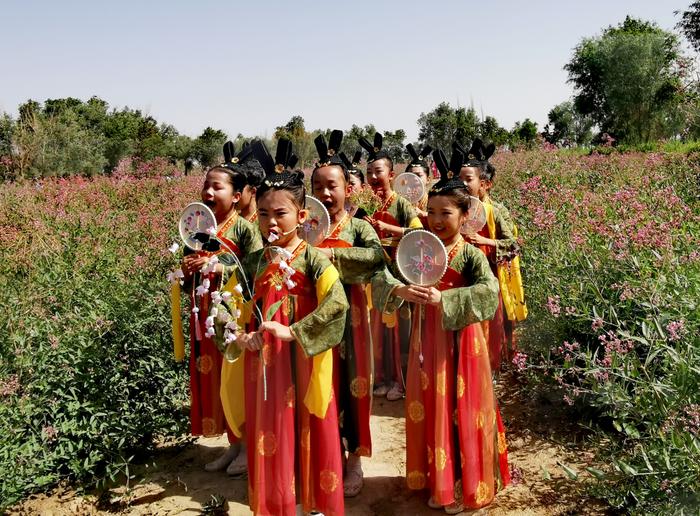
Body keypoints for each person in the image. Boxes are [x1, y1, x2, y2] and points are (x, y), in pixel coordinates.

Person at [371, 147, 510, 513]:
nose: (434, 219)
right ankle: (439, 478)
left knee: (461, 407)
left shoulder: (470, 255)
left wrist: (443, 301)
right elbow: (382, 277)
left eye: (445, 213)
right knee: (432, 405)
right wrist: (400, 289)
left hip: (462, 344)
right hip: (425, 339)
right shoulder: (417, 250)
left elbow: (489, 292)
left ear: (465, 215)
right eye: (430, 212)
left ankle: (466, 482)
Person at [223, 138, 348, 516]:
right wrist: (238, 334)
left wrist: (293, 331)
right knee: (272, 433)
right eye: (262, 214)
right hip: (264, 367)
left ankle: (313, 504)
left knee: (308, 428)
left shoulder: (314, 261)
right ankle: (279, 503)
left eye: (280, 213)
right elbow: (228, 304)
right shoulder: (253, 261)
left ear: (303, 216)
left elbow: (337, 305)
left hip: (305, 363)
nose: (270, 222)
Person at [180, 141, 262, 475]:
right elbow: (187, 268)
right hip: (206, 315)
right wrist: (187, 271)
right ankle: (234, 444)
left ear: (238, 193)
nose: (209, 191)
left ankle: (248, 445)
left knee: (237, 379)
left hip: (236, 315)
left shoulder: (245, 228)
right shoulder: (199, 228)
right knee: (217, 379)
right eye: (206, 185)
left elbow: (256, 267)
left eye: (218, 186)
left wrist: (218, 265)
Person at [311, 131, 385, 497]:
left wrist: (333, 256)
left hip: (352, 321)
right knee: (319, 387)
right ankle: (326, 455)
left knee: (353, 385)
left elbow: (376, 257)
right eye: (319, 187)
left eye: (333, 186)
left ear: (348, 189)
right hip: (314, 319)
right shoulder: (304, 229)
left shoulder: (358, 227)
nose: (326, 194)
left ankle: (354, 458)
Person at [358, 132, 422, 401]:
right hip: (375, 276)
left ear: (392, 172)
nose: (373, 177)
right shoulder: (364, 205)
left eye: (378, 171)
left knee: (401, 330)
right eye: (369, 172)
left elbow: (419, 234)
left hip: (399, 273)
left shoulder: (402, 203)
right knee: (378, 329)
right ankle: (382, 377)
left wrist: (389, 229)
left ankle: (402, 380)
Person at [456, 139, 518, 372]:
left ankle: (488, 371)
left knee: (488, 326)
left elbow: (513, 245)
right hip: (464, 279)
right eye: (460, 178)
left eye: (468, 180)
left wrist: (486, 242)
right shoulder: (458, 208)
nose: (462, 184)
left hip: (489, 278)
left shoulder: (497, 210)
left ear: (485, 184)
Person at [235, 142, 265, 224]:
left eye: (238, 188)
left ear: (253, 192)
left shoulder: (265, 224)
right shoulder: (229, 221)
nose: (232, 194)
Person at [404, 143, 433, 223]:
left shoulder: (434, 201)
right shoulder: (402, 201)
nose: (414, 179)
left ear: (428, 179)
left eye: (419, 175)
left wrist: (424, 214)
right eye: (411, 175)